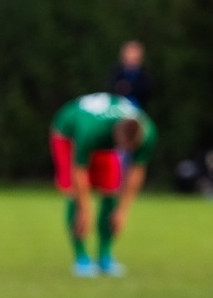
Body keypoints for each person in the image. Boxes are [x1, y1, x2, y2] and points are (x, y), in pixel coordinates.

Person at [49, 93, 155, 277]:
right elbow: (79, 170)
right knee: (75, 195)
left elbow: (137, 171)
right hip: (67, 134)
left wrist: (123, 210)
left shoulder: (148, 133)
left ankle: (105, 256)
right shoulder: (91, 129)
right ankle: (81, 258)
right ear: (116, 134)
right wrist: (86, 209)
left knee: (110, 192)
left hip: (103, 144)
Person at [108, 40, 153, 110]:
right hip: (117, 109)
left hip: (137, 110)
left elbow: (147, 92)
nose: (131, 56)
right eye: (129, 53)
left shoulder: (144, 75)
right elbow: (110, 89)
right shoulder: (116, 72)